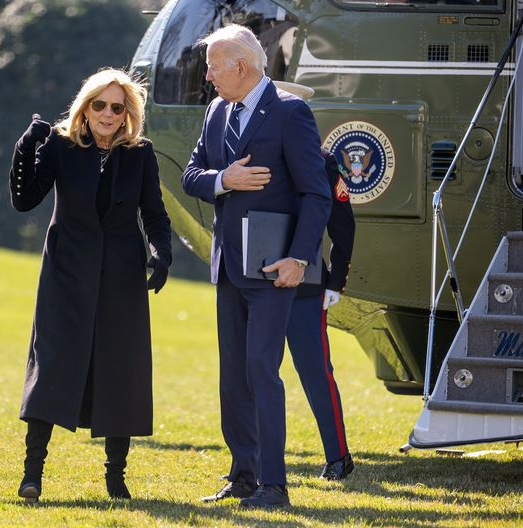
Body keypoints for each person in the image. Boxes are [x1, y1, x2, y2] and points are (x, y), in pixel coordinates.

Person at [181, 25, 332, 508]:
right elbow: (191, 175)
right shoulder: (215, 111)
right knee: (234, 376)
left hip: (275, 269)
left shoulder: (291, 112)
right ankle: (242, 476)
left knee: (261, 370)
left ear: (240, 67)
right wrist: (224, 179)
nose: (207, 75)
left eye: (212, 66)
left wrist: (300, 259)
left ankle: (274, 485)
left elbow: (316, 193)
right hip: (228, 268)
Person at [8, 68, 172, 503]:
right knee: (52, 366)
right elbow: (25, 199)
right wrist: (26, 148)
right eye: (99, 104)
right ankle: (32, 475)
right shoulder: (62, 146)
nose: (107, 113)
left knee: (122, 371)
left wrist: (162, 253)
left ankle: (115, 478)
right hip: (66, 273)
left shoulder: (141, 154)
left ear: (127, 114)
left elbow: (154, 214)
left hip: (121, 276)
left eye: (117, 107)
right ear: (86, 106)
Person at [286, 149, 356, 481]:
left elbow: (341, 221)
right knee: (254, 372)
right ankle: (253, 460)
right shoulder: (247, 148)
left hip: (307, 285)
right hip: (256, 280)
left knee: (316, 374)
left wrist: (336, 280)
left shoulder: (319, 158)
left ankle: (338, 456)